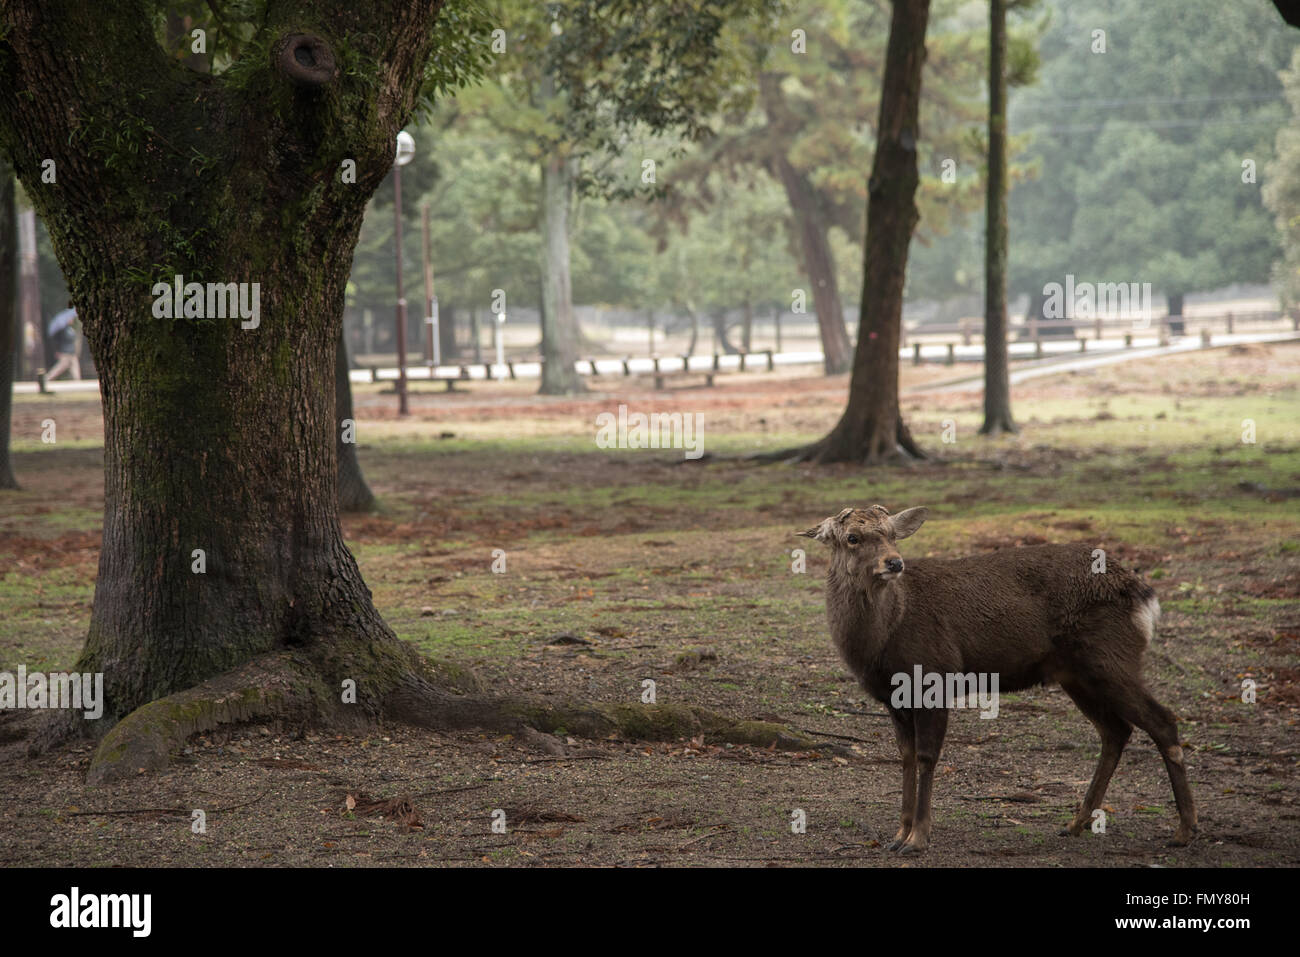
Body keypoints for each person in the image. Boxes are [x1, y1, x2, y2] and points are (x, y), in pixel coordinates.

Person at [46, 303, 80, 381]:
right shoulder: (62, 330)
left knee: (75, 369)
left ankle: (78, 383)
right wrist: (57, 351)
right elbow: (58, 341)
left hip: (72, 352)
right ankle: (48, 378)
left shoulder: (71, 329)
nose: (71, 320)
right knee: (60, 367)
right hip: (65, 352)